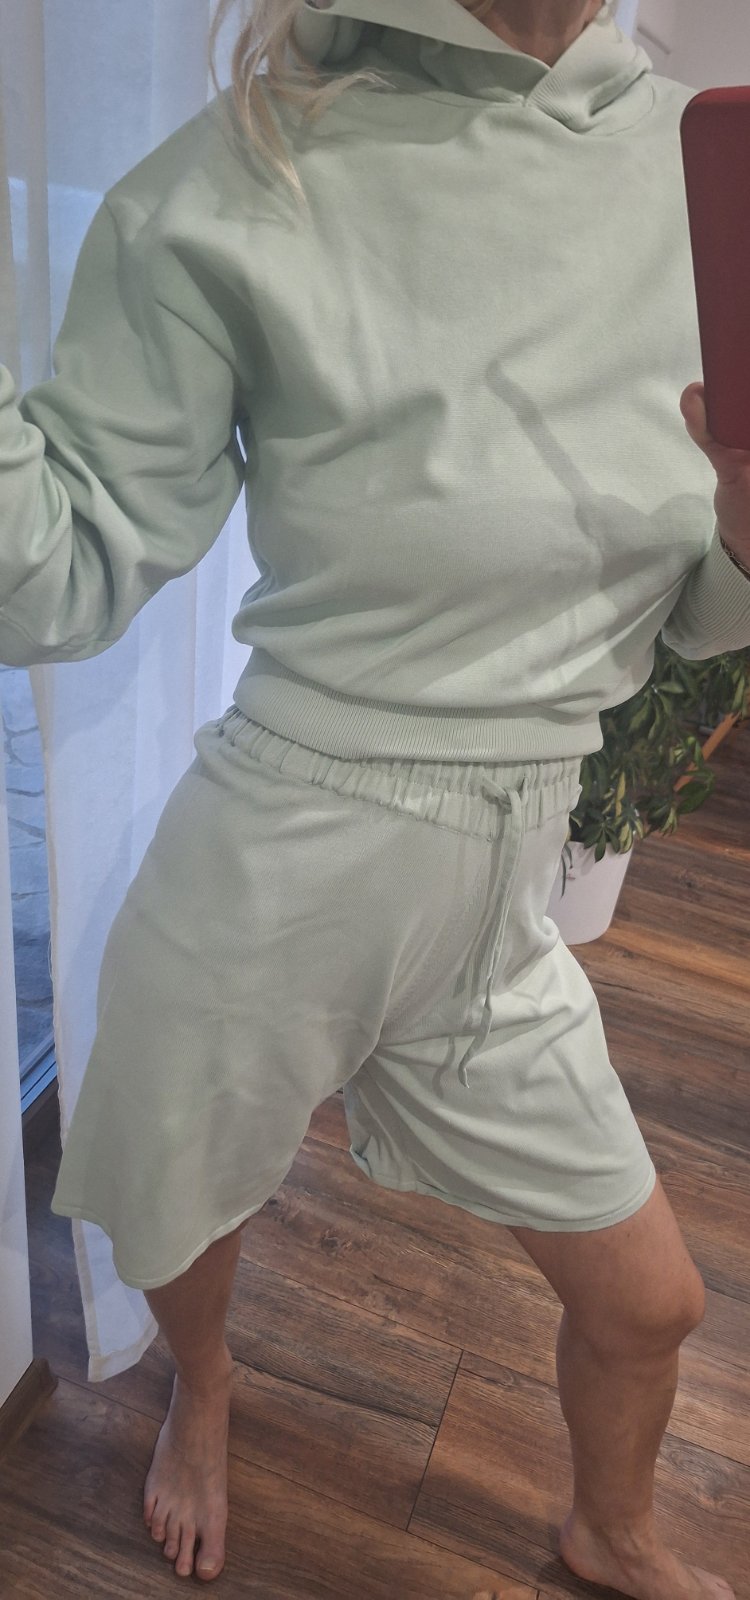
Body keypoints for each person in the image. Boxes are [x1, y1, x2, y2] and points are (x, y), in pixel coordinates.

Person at [2, 0, 749, 1589]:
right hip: (283, 854)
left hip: (504, 888)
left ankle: (609, 1526)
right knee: (183, 1200)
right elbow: (51, 576)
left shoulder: (692, 180)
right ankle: (204, 1389)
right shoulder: (242, 176)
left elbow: (690, 615)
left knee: (652, 1306)